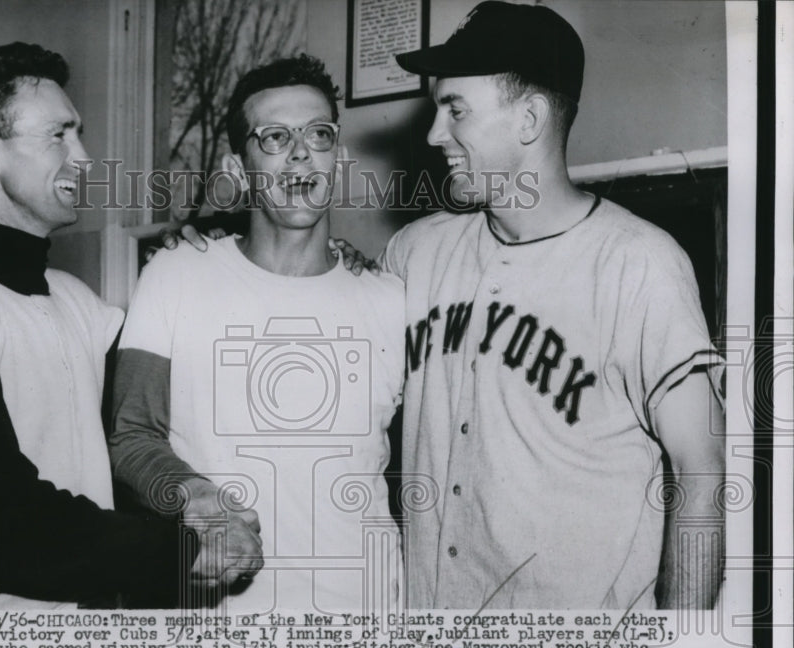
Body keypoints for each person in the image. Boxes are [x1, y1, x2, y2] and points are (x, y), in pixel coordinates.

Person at [0, 42, 261, 610]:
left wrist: (227, 256)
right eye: (59, 135)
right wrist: (186, 551)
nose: (85, 159)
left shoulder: (73, 300)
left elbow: (154, 407)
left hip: (47, 631)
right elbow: (4, 528)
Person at [380, 0, 725, 609]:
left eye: (455, 109)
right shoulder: (414, 253)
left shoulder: (637, 263)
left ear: (530, 118)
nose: (435, 134)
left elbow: (701, 472)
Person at [109, 55, 405, 613]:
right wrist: (198, 501)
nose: (300, 153)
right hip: (223, 621)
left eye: (318, 134)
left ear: (339, 159)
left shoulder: (391, 299)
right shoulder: (176, 274)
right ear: (238, 168)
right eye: (274, 137)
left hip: (367, 616)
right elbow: (131, 436)